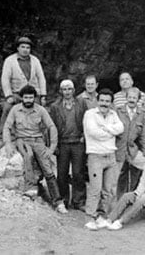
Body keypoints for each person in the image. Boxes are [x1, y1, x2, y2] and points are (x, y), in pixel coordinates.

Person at [3, 85, 67, 214]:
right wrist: (8, 145)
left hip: (38, 141)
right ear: (21, 98)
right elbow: (7, 127)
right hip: (22, 140)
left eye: (31, 97)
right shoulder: (15, 110)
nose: (28, 100)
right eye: (25, 97)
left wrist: (51, 148)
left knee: (48, 169)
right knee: (28, 156)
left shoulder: (40, 110)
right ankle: (30, 187)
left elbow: (51, 127)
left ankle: (58, 202)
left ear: (34, 98)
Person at [83, 89, 125, 230]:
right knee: (95, 189)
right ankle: (90, 218)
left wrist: (106, 128)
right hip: (95, 156)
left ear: (111, 103)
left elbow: (120, 128)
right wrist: (110, 132)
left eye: (107, 101)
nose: (104, 104)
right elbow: (93, 132)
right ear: (97, 100)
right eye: (102, 100)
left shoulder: (113, 114)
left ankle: (103, 216)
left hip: (110, 156)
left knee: (108, 189)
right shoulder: (90, 114)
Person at [49, 79, 88, 210]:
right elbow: (52, 127)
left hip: (78, 142)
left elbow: (87, 120)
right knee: (62, 173)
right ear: (60, 91)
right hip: (63, 143)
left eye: (69, 89)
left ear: (74, 90)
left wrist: (85, 136)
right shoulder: (55, 106)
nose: (67, 92)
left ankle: (79, 201)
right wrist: (54, 145)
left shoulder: (81, 103)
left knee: (78, 172)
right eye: (64, 89)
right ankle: (63, 200)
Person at [0, 36, 47, 139]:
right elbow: (5, 79)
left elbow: (41, 78)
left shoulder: (35, 60)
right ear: (18, 48)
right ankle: (2, 136)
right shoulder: (10, 60)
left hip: (33, 95)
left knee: (40, 112)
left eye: (28, 48)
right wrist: (9, 96)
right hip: (16, 94)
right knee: (7, 108)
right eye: (23, 47)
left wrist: (43, 95)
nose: (25, 50)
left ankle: (41, 137)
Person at [115, 87, 145, 197]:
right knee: (119, 176)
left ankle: (131, 200)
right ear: (126, 98)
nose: (131, 100)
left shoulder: (142, 114)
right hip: (119, 149)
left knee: (136, 174)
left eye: (134, 97)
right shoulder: (118, 111)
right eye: (129, 97)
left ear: (138, 99)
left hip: (133, 149)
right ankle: (118, 201)